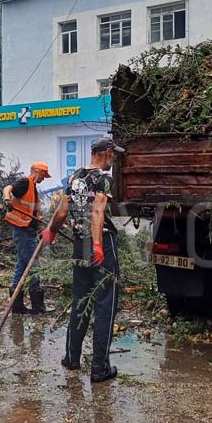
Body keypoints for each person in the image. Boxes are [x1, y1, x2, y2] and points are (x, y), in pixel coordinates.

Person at [39, 136, 125, 383]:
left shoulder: (75, 177)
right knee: (104, 305)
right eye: (113, 155)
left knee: (80, 300)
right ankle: (100, 369)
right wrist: (98, 245)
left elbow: (62, 211)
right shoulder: (103, 179)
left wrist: (52, 231)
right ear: (106, 152)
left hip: (79, 245)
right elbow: (98, 212)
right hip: (101, 245)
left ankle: (71, 358)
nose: (114, 160)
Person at [2, 162, 51, 314]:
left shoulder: (33, 188)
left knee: (22, 265)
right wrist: (7, 200)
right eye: (44, 175)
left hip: (28, 231)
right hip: (22, 231)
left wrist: (44, 227)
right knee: (34, 266)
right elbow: (7, 188)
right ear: (38, 172)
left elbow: (33, 213)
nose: (44, 178)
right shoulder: (25, 182)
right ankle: (38, 306)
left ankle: (17, 306)